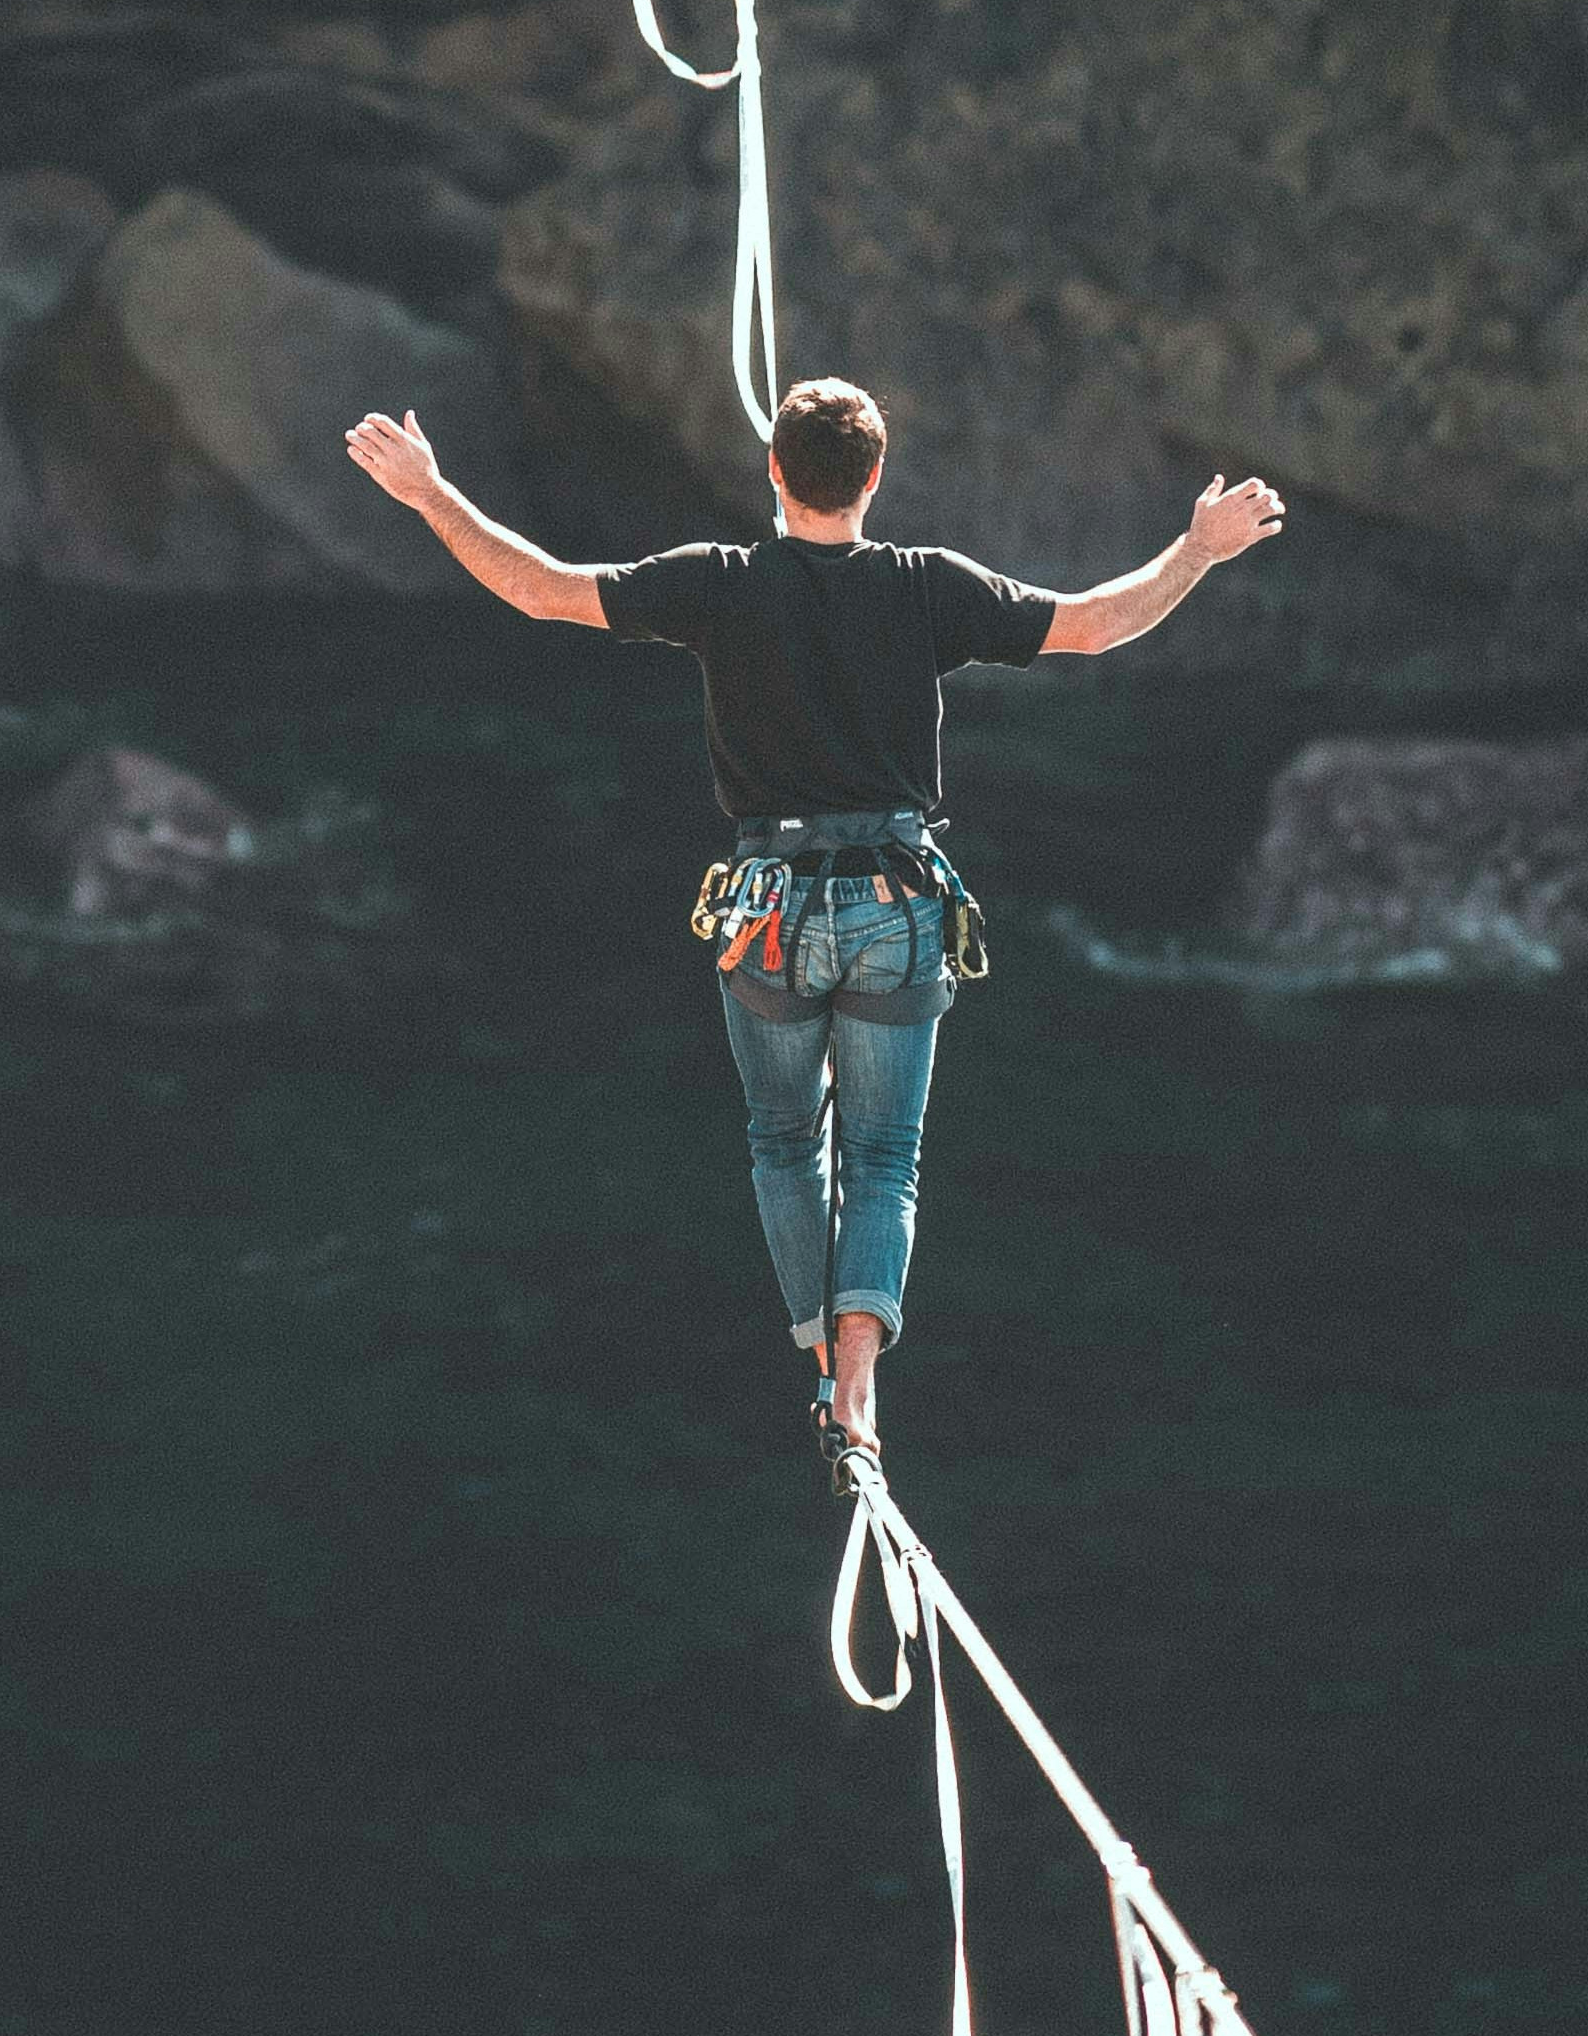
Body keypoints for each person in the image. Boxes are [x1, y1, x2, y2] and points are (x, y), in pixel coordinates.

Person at [346, 378, 1284, 1460]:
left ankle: (822, 1360)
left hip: (770, 911)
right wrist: (1200, 547)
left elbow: (543, 589)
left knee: (785, 1143)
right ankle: (857, 1383)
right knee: (884, 1159)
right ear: (875, 478)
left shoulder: (718, 584)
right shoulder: (930, 587)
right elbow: (1093, 626)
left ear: (773, 474)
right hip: (896, 899)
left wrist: (429, 493)